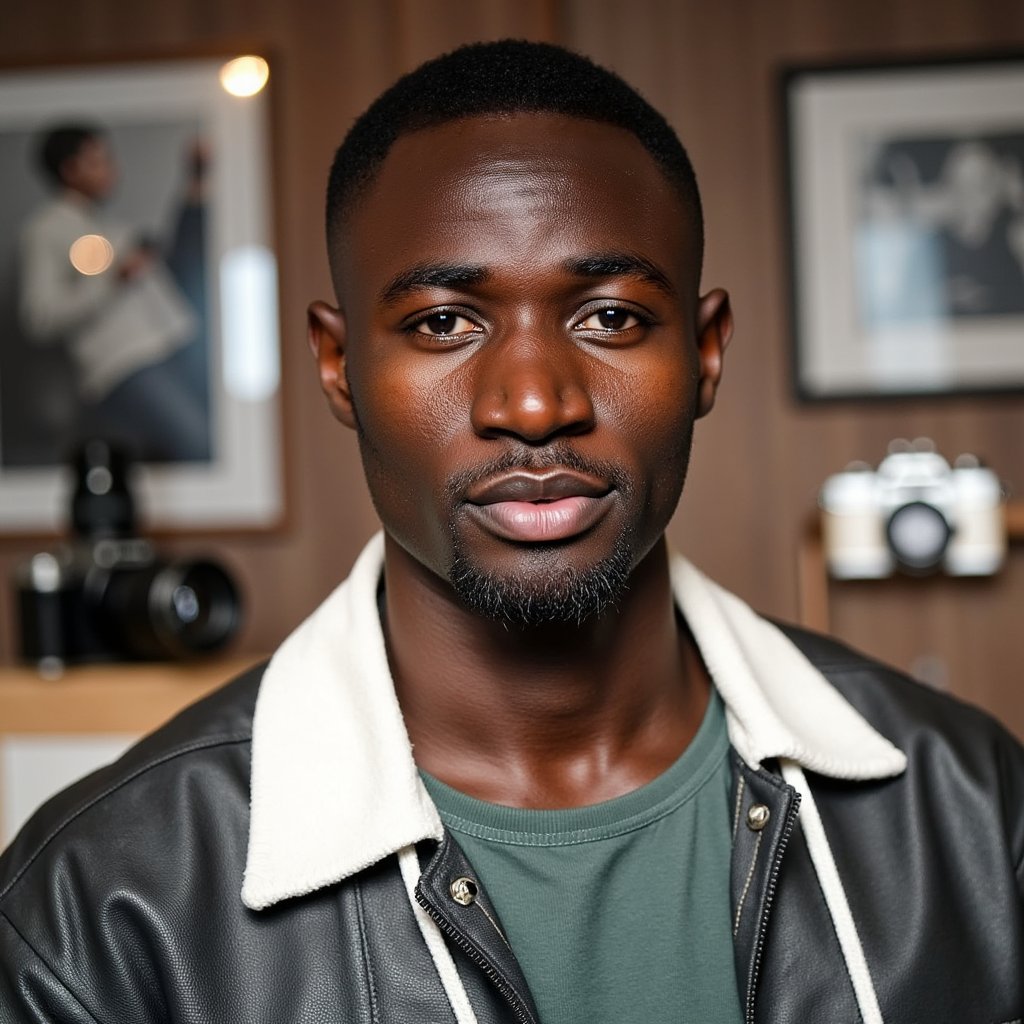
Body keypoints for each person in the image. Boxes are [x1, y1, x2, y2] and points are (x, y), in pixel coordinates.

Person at [1, 41, 1022, 1024]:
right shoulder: (99, 905)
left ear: (706, 354)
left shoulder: (972, 809)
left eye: (609, 317)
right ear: (336, 365)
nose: (534, 403)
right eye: (445, 322)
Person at [18, 123, 211, 462]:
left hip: (170, 348)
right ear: (70, 168)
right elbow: (39, 318)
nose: (111, 169)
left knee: (189, 453)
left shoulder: (104, 225)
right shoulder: (45, 230)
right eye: (99, 160)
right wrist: (112, 281)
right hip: (125, 368)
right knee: (198, 444)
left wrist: (194, 181)